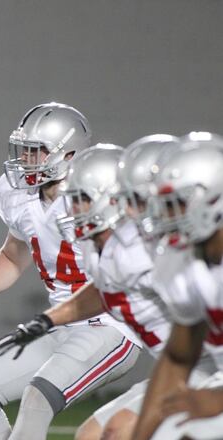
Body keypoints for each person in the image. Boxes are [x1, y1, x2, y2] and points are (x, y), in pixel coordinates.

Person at [0, 140, 217, 440]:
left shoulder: (176, 260)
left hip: (210, 370)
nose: (149, 212)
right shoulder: (120, 249)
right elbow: (108, 289)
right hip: (186, 365)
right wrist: (48, 320)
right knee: (96, 434)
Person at [0, 103, 141, 440]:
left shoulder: (95, 198)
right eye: (24, 151)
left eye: (36, 152)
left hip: (109, 325)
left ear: (70, 155)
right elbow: (13, 256)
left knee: (37, 399)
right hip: (59, 321)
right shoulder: (21, 198)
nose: (25, 160)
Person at [131, 132, 223, 440]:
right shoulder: (182, 262)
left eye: (176, 205)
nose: (165, 217)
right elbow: (177, 358)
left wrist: (219, 399)